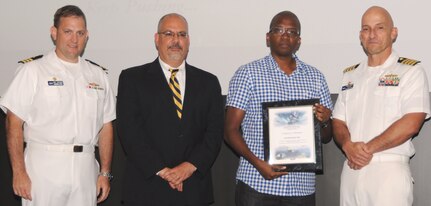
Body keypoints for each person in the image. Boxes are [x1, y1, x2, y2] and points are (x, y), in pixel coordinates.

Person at [0, 5, 116, 206]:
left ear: (87, 35)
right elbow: (13, 122)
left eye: (80, 33)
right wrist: (18, 171)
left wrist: (104, 172)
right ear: (54, 33)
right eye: (68, 32)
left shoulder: (98, 75)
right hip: (43, 167)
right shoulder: (33, 70)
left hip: (85, 168)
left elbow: (106, 126)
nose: (74, 39)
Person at [225, 11, 333, 206]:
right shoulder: (248, 74)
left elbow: (326, 137)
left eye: (292, 32)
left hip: (302, 188)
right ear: (268, 37)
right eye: (279, 30)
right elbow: (230, 131)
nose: (285, 36)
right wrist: (259, 164)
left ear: (298, 40)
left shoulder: (316, 78)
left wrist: (325, 120)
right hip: (257, 185)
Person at [116, 13, 223, 206]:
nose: (176, 40)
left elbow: (214, 134)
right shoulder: (132, 79)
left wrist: (188, 168)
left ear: (188, 41)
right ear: (157, 39)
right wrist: (164, 171)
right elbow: (130, 132)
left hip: (193, 189)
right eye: (169, 34)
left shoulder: (209, 82)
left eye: (182, 34)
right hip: (146, 188)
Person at [332, 6, 430, 206]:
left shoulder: (410, 71)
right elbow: (338, 121)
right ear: (360, 35)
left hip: (388, 171)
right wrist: (348, 146)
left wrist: (366, 150)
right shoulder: (350, 75)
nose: (372, 35)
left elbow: (412, 122)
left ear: (393, 33)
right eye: (366, 29)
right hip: (351, 170)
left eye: (380, 28)